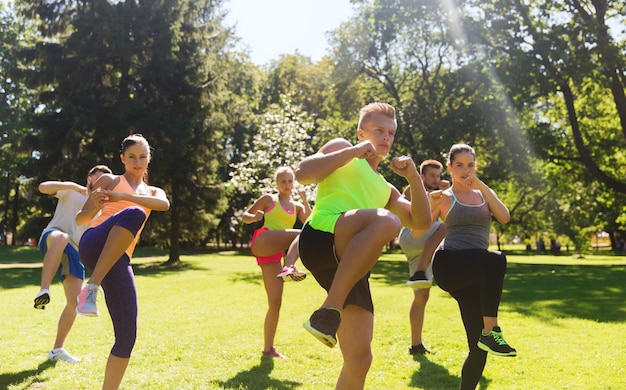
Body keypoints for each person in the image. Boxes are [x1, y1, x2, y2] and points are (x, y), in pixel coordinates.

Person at [295, 102, 431, 389]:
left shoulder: (387, 189)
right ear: (360, 133)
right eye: (379, 130)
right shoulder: (343, 149)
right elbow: (303, 173)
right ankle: (330, 307)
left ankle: (328, 313)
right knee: (387, 222)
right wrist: (353, 152)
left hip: (351, 266)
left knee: (360, 359)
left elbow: (421, 223)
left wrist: (413, 177)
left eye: (391, 133)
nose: (386, 137)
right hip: (321, 236)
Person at [75, 134, 170, 390]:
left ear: (149, 158)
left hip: (119, 260)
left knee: (127, 336)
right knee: (135, 212)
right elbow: (80, 220)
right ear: (122, 158)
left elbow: (163, 204)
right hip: (94, 242)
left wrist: (124, 199)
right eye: (132, 157)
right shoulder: (110, 180)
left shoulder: (153, 192)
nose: (137, 162)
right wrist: (95, 205)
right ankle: (91, 288)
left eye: (142, 156)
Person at [430, 143, 516, 390]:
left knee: (478, 349)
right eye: (459, 165)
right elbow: (419, 225)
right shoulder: (445, 197)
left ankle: (486, 340)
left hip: (474, 274)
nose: (465, 170)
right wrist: (426, 200)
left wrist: (482, 186)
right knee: (496, 258)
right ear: (450, 167)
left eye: (470, 165)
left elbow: (504, 217)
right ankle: (492, 330)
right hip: (449, 264)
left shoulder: (482, 195)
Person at [34, 165, 112, 363]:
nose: (102, 183)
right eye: (99, 179)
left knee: (74, 302)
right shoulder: (71, 192)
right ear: (90, 179)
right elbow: (43, 187)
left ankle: (57, 350)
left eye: (106, 181)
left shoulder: (99, 209)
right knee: (62, 237)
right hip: (53, 237)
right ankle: (44, 290)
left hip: (75, 252)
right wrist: (71, 185)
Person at [242, 166, 311, 358]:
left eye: (290, 181)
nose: (287, 185)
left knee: (275, 302)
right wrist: (254, 217)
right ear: (277, 183)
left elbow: (310, 221)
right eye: (283, 181)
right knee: (300, 234)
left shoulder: (297, 206)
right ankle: (289, 266)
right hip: (263, 240)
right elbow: (245, 216)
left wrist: (305, 200)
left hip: (274, 253)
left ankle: (268, 349)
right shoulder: (269, 199)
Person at [398, 160, 449, 356]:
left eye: (438, 176)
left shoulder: (441, 190)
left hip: (424, 244)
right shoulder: (412, 189)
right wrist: (426, 191)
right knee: (444, 227)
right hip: (411, 235)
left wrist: (443, 187)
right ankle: (420, 270)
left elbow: (447, 189)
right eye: (432, 176)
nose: (436, 180)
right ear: (421, 177)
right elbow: (406, 208)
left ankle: (416, 345)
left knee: (422, 296)